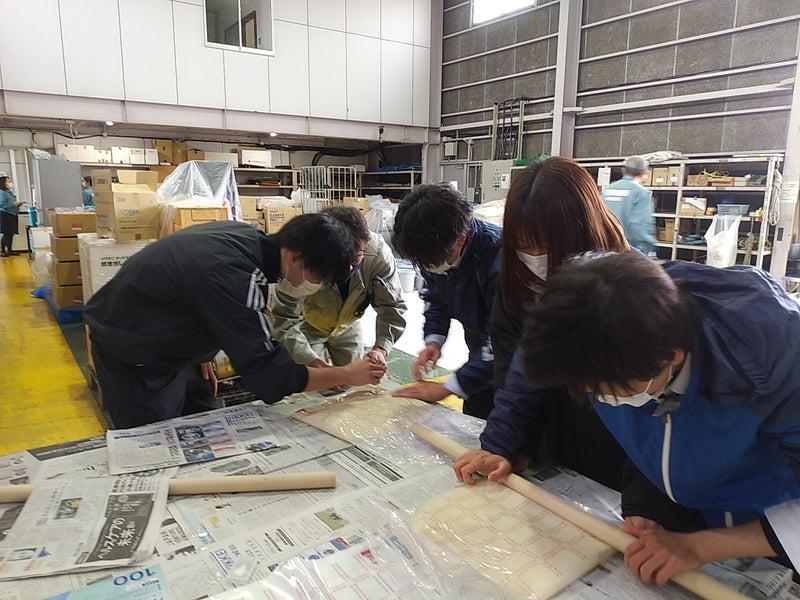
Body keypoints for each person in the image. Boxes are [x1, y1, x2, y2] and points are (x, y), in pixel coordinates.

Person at [521, 251, 800, 583]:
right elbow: (657, 435)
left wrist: (700, 547)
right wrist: (648, 509)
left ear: (671, 357)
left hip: (772, 532)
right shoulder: (604, 328)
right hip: (703, 512)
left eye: (609, 391)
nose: (600, 398)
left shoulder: (774, 359)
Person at [84, 216, 386, 428]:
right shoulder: (235, 275)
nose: (316, 286)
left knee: (199, 419)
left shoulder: (249, 240)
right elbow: (267, 376)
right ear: (295, 257)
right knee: (153, 442)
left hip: (167, 338)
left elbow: (190, 290)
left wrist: (202, 354)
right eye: (317, 278)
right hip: (134, 353)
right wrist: (346, 374)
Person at [452, 157, 629, 491]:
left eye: (544, 247)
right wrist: (508, 447)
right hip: (550, 434)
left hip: (613, 439)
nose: (533, 257)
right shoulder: (514, 283)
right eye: (523, 247)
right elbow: (512, 376)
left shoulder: (622, 286)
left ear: (582, 231)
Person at [391, 183, 500, 419]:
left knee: (507, 426)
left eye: (430, 262)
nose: (428, 268)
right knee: (474, 414)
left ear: (460, 239)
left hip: (514, 356)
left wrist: (447, 387)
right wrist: (434, 341)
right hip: (480, 345)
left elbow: (504, 341)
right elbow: (436, 299)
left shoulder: (499, 260)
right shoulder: (435, 251)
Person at [272, 206, 406, 367]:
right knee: (311, 380)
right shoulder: (302, 257)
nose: (348, 268)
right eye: (342, 258)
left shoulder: (378, 256)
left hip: (348, 326)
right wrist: (312, 361)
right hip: (306, 326)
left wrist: (380, 349)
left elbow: (392, 306)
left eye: (355, 258)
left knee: (354, 383)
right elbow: (283, 318)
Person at [601, 155, 655, 255]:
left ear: (623, 171)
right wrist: (645, 249)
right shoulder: (641, 192)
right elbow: (639, 224)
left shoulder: (608, 189)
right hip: (626, 249)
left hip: (603, 245)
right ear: (644, 172)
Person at [0, 176, 22, 257]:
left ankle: (9, 250)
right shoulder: (2, 192)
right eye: (8, 181)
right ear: (3, 182)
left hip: (12, 214)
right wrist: (13, 204)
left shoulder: (8, 191)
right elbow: (1, 204)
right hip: (6, 214)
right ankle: (2, 250)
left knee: (11, 233)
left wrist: (17, 204)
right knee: (6, 233)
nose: (10, 183)